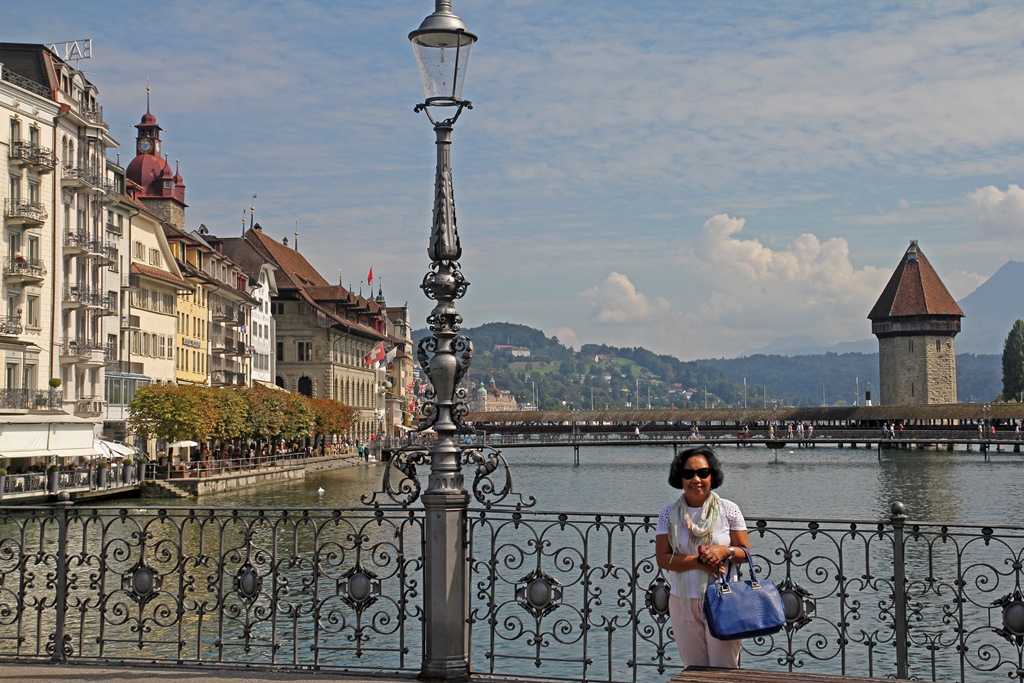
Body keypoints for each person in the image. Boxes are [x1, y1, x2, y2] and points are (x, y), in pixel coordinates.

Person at [655, 446, 750, 669]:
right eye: (688, 474)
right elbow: (663, 558)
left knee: (724, 667)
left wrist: (724, 551)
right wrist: (698, 563)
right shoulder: (668, 514)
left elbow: (745, 553)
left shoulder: (729, 510)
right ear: (679, 478)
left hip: (723, 599)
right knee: (693, 668)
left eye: (703, 473)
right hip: (683, 601)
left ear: (712, 475)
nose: (696, 479)